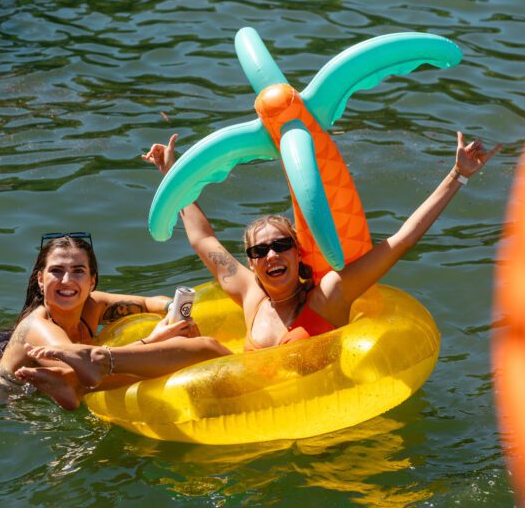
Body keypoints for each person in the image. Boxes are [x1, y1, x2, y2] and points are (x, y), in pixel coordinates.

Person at [141, 132, 501, 350]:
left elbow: (401, 240)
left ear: (298, 252)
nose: (271, 255)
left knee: (204, 348)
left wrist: (458, 175)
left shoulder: (329, 295)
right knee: (200, 346)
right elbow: (202, 237)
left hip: (325, 429)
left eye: (281, 245)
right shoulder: (250, 294)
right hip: (260, 421)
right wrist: (173, 175)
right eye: (259, 251)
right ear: (250, 262)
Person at [0, 233, 230, 431]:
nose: (67, 280)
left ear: (92, 281)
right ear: (40, 280)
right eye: (56, 271)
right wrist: (153, 340)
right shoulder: (39, 327)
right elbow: (90, 366)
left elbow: (151, 302)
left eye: (78, 271)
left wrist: (175, 314)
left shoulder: (93, 305)